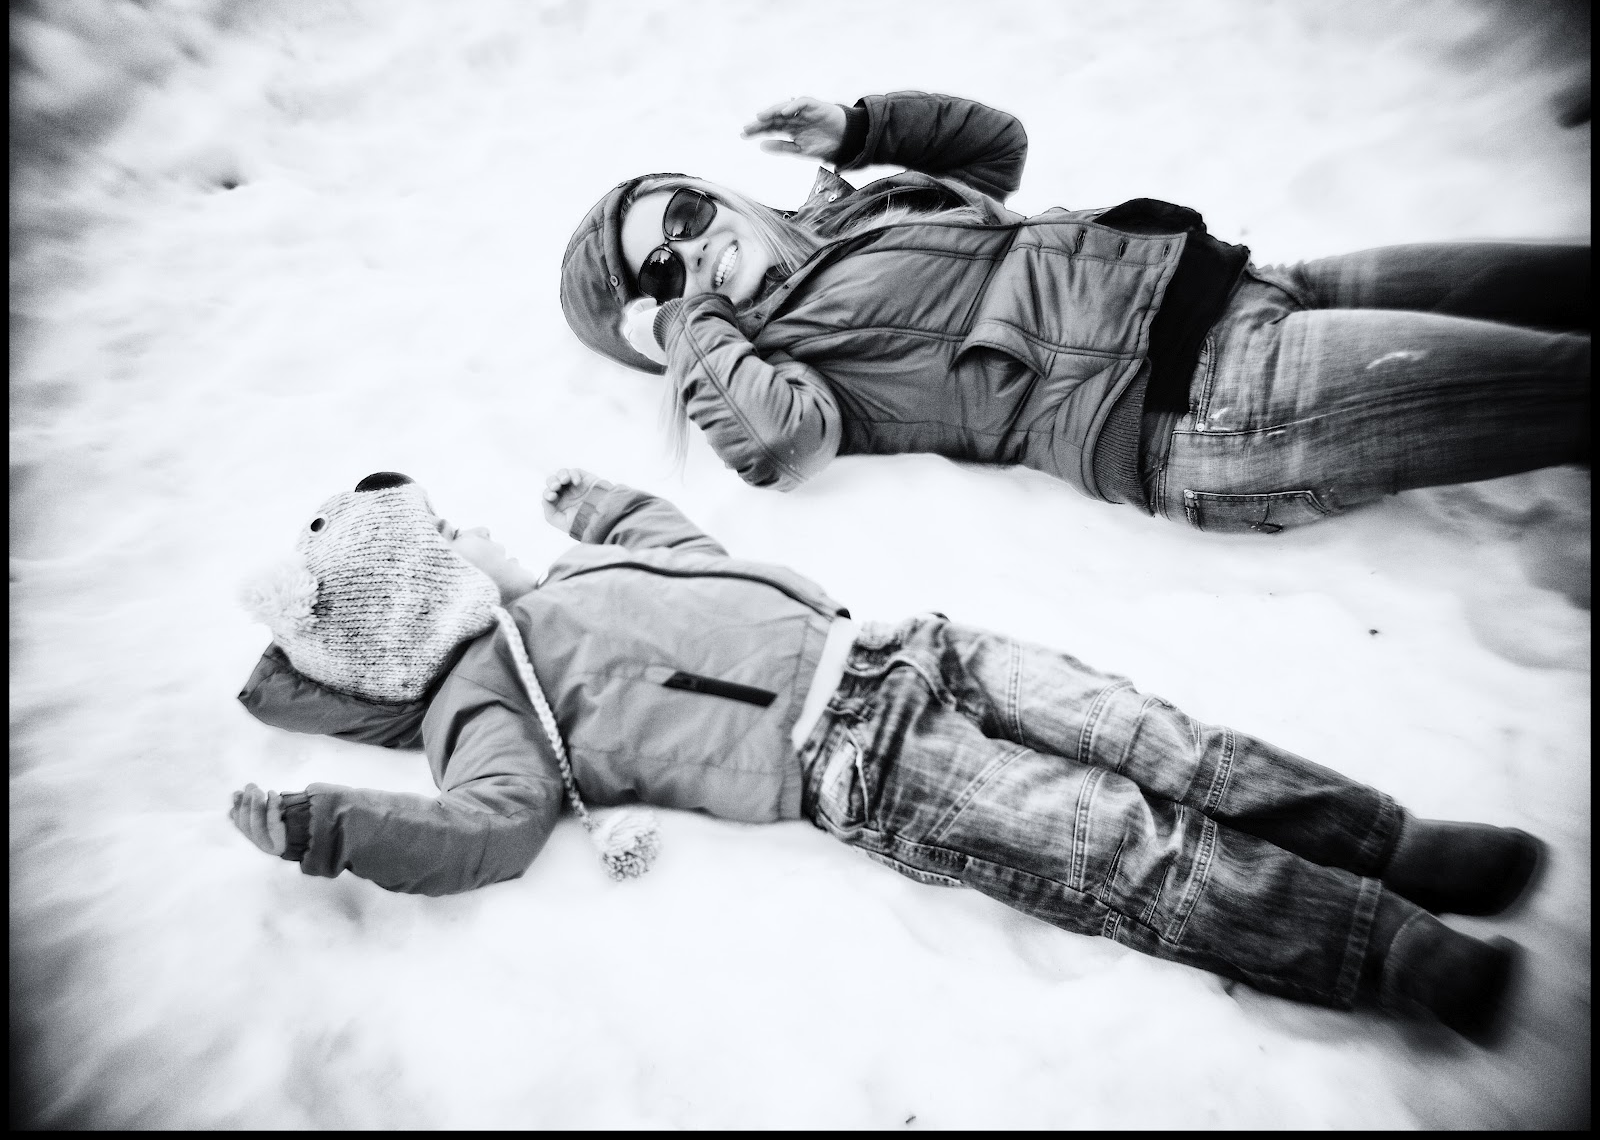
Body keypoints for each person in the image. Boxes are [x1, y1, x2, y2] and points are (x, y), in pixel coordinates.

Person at [231, 467, 1544, 1042]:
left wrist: (606, 505)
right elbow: (487, 827)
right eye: (444, 535)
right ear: (423, 599)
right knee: (1112, 842)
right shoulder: (484, 704)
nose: (471, 528)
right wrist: (330, 824)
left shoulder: (573, 576)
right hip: (861, 762)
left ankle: (1382, 839)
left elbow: (692, 552)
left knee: (1152, 735)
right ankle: (1385, 949)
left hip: (906, 647)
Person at [559, 91, 1589, 533]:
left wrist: (865, 128)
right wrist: (691, 328)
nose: (693, 251)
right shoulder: (775, 357)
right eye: (662, 272)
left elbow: (994, 149)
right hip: (1207, 407)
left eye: (684, 214)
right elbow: (783, 444)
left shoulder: (846, 216)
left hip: (1239, 285)